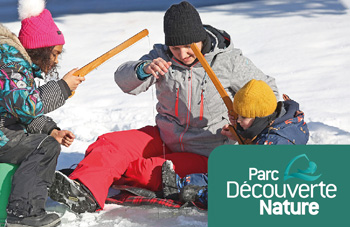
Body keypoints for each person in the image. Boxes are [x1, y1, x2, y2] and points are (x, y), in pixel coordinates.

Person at [49, 1, 279, 213]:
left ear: (200, 39)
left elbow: (268, 91)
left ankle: (98, 174)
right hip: (165, 136)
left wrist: (244, 117)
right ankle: (85, 191)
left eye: (189, 47)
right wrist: (143, 69)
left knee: (145, 170)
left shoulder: (227, 61)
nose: (182, 54)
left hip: (207, 149)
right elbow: (123, 79)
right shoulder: (162, 56)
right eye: (175, 48)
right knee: (109, 144)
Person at [0, 0, 84, 227]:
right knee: (44, 147)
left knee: (45, 140)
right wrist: (62, 87)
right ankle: (24, 214)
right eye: (55, 54)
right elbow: (24, 106)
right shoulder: (12, 64)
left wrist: (51, 129)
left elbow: (17, 113)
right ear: (41, 48)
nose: (56, 61)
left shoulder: (13, 63)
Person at [161, 79, 310, 207]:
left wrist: (200, 195)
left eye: (243, 117)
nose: (238, 120)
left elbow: (249, 193)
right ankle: (179, 184)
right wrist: (240, 134)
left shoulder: (276, 144)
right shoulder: (279, 124)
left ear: (259, 117)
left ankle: (184, 187)